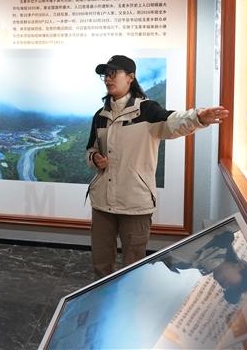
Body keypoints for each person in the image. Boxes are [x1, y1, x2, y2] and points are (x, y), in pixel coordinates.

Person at [86, 55, 230, 279]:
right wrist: (95, 158)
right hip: (102, 202)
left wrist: (198, 117)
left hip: (135, 204)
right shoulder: (100, 116)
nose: (107, 78)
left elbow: (173, 122)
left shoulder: (147, 110)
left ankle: (131, 300)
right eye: (105, 75)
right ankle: (102, 299)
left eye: (113, 73)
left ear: (130, 77)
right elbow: (91, 149)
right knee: (101, 264)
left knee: (133, 267)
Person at [157, 230, 247, 304]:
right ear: (240, 266)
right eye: (235, 285)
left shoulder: (183, 266)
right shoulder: (223, 234)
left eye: (227, 289)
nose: (225, 286)